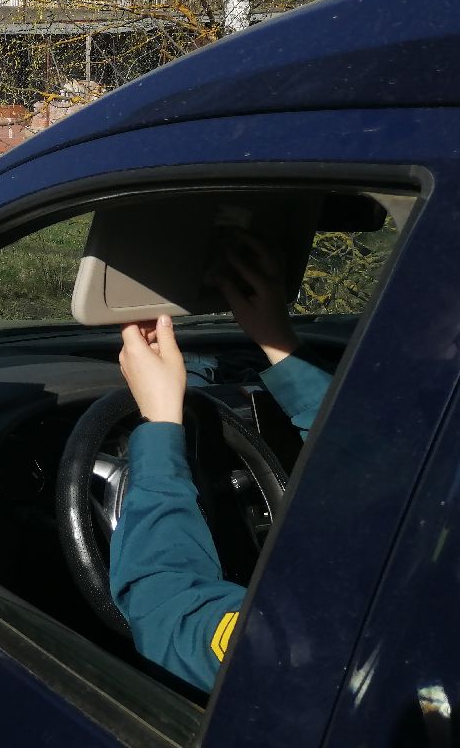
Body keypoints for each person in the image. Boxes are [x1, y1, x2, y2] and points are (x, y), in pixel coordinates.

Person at [109, 233, 330, 692]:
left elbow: (164, 608)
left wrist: (160, 421)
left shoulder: (323, 640)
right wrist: (277, 341)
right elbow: (380, 468)